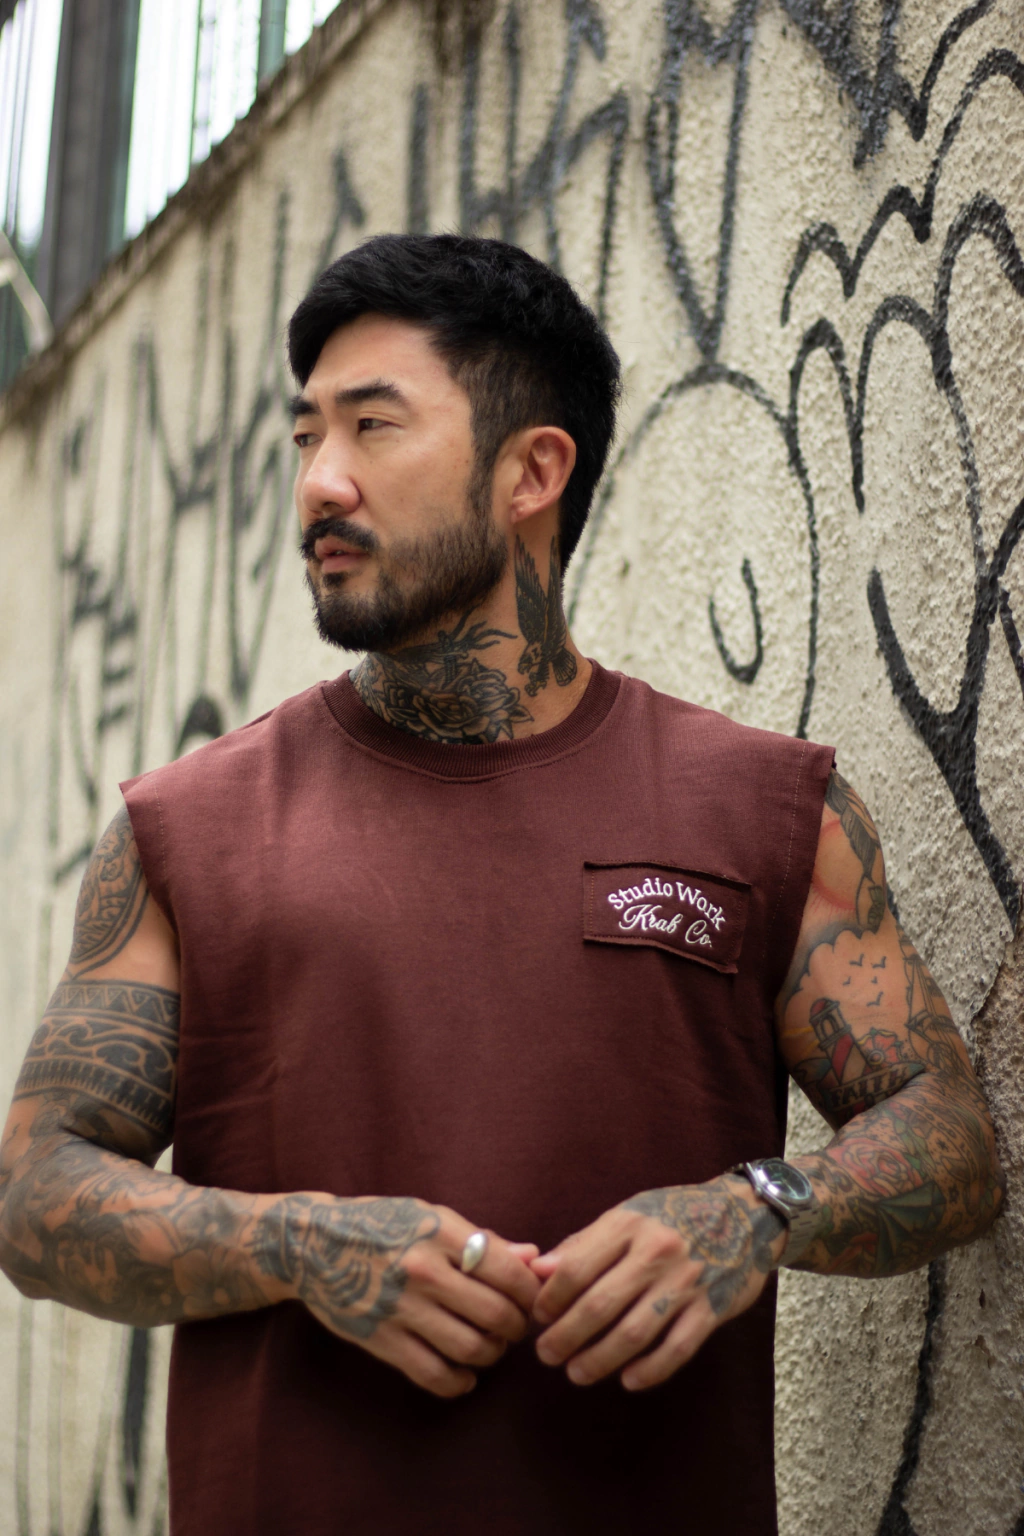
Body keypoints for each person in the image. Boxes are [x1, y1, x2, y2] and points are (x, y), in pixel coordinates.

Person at [0, 234, 1004, 1536]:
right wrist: (297, 1244)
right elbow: (36, 1194)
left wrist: (755, 1211)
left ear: (534, 471)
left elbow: (951, 1136)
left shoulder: (761, 809)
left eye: (373, 427)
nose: (320, 481)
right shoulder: (187, 828)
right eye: (306, 435)